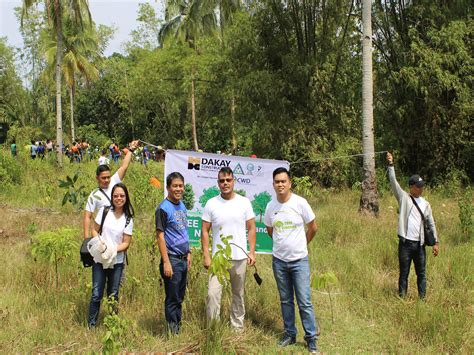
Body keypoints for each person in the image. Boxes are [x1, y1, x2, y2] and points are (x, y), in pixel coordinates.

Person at [264, 167, 319, 353]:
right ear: (273, 184)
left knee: (304, 301)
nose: (280, 184)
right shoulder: (271, 206)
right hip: (279, 261)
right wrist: (282, 245)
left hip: (299, 261)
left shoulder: (300, 203)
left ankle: (311, 338)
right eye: (277, 182)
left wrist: (303, 243)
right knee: (286, 300)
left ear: (290, 183)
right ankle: (289, 334)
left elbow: (313, 227)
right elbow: (270, 230)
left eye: (283, 181)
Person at [201, 167, 256, 331]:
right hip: (218, 260)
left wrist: (251, 252)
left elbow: (252, 228)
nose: (225, 183)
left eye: (228, 180)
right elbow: (204, 230)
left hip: (240, 258)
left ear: (233, 181)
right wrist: (206, 255)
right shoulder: (211, 203)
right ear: (218, 183)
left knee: (238, 294)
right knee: (212, 294)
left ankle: (237, 328)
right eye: (222, 181)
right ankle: (213, 329)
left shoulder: (244, 202)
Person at [386, 152, 439, 299]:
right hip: (405, 244)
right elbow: (393, 182)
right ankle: (402, 298)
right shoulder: (404, 198)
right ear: (411, 187)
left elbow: (431, 223)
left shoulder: (426, 204)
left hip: (420, 246)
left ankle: (422, 299)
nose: (421, 189)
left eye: (422, 186)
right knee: (404, 273)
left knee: (421, 274)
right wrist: (391, 164)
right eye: (418, 186)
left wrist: (436, 242)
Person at [87, 183, 134, 328]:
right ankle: (91, 325)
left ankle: (112, 324)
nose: (118, 198)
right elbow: (94, 230)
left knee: (113, 294)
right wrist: (100, 243)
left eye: (121, 196)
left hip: (117, 261)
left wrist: (112, 249)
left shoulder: (128, 219)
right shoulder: (104, 211)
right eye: (115, 196)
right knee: (96, 293)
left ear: (126, 197)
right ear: (112, 197)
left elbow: (126, 243)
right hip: (100, 259)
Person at [155, 172, 191, 334]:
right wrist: (166, 262)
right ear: (168, 187)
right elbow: (160, 236)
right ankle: (172, 331)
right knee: (172, 297)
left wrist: (188, 252)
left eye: (181, 186)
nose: (178, 189)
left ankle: (178, 327)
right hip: (172, 259)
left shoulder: (182, 205)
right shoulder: (163, 208)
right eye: (175, 186)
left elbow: (183, 230)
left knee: (179, 296)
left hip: (183, 259)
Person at [83, 140, 138, 239]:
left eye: (108, 177)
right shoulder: (94, 195)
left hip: (119, 228)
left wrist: (131, 150)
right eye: (103, 178)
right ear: (97, 178)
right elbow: (87, 216)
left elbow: (124, 167)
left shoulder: (114, 181)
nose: (107, 180)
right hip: (104, 231)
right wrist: (86, 239)